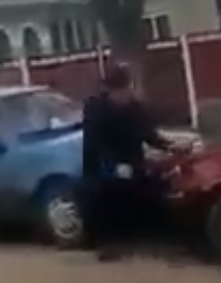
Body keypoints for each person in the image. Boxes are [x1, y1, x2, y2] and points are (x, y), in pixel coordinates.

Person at [78, 63, 186, 257]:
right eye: (119, 91)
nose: (124, 94)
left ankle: (144, 238)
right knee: (104, 199)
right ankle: (107, 244)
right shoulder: (95, 109)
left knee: (146, 191)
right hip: (102, 166)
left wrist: (172, 146)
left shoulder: (135, 109)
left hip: (131, 161)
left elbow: (149, 135)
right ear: (109, 90)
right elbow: (93, 141)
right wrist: (112, 165)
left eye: (126, 89)